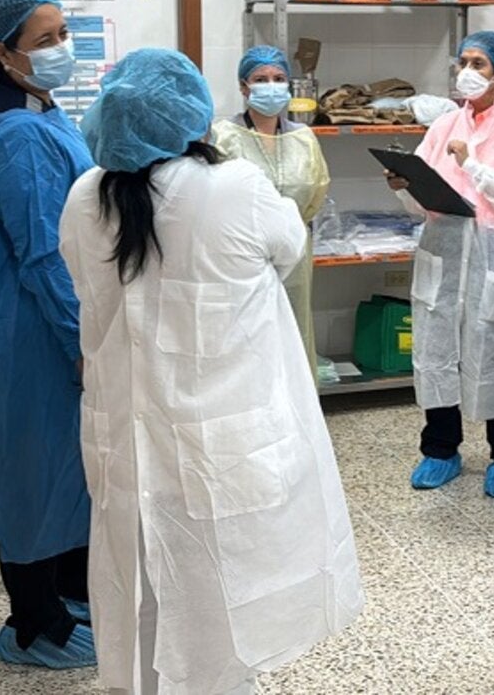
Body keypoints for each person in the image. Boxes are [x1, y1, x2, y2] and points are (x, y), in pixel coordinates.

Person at [59, 49, 363, 695]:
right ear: (193, 114)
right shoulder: (235, 188)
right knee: (221, 604)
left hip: (127, 441)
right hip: (216, 444)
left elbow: (82, 281)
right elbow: (289, 247)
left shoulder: (87, 194)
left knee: (134, 590)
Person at [0, 0, 97, 669]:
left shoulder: (42, 111)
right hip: (35, 332)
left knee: (66, 468)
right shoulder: (17, 135)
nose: (61, 49)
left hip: (44, 326)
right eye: (45, 41)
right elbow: (45, 251)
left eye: (63, 34)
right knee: (32, 472)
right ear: (3, 52)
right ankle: (33, 625)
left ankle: (69, 597)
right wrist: (80, 340)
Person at [385, 30, 494, 498]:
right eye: (464, 62)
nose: (468, 73)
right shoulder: (442, 128)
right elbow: (421, 204)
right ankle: (440, 449)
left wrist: (472, 164)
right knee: (437, 350)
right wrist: (402, 185)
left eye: (480, 64)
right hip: (444, 248)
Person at [211, 45, 330, 381]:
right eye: (260, 79)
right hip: (241, 252)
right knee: (247, 332)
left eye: (279, 78)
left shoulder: (304, 138)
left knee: (293, 326)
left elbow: (316, 191)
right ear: (243, 87)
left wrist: (287, 229)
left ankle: (297, 413)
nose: (271, 85)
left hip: (294, 253)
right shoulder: (224, 136)